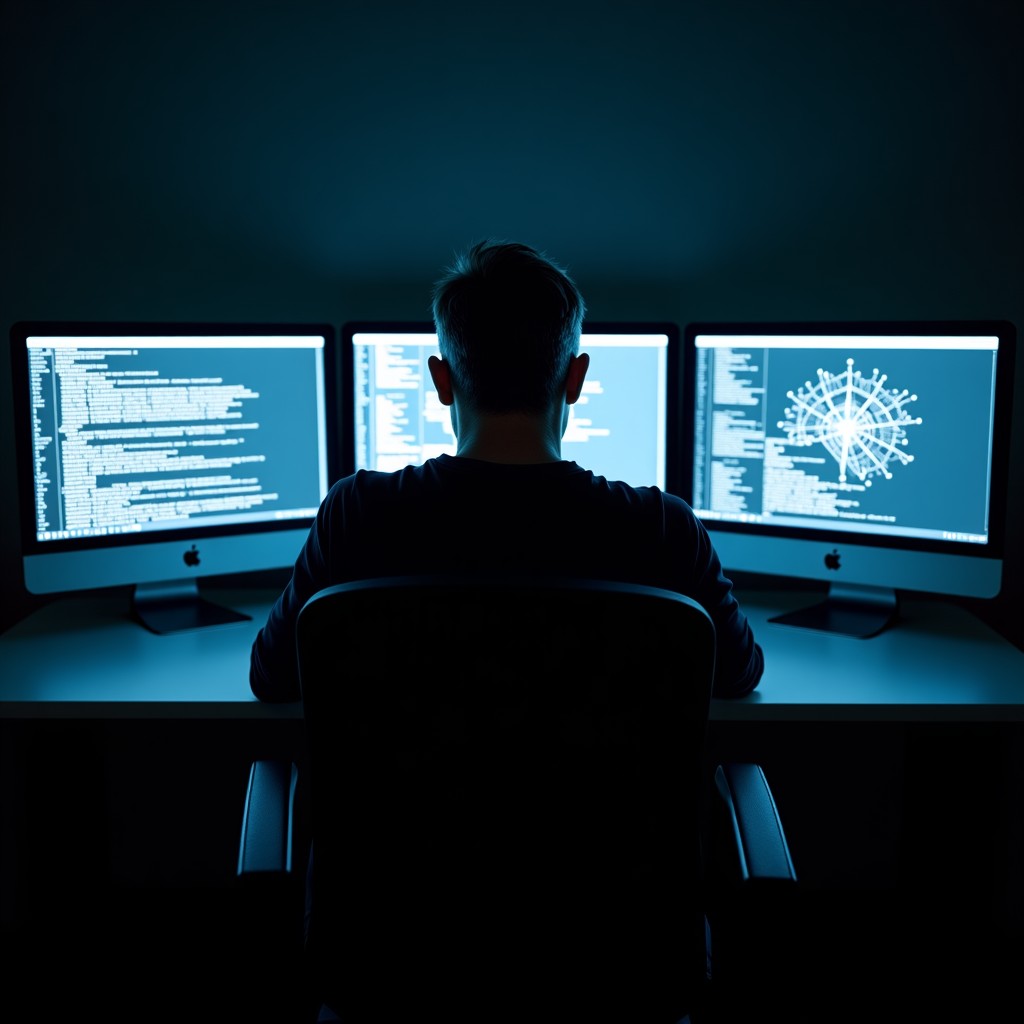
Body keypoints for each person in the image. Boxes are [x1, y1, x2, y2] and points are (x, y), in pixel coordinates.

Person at [249, 238, 763, 702]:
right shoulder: (664, 528)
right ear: (577, 378)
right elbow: (738, 677)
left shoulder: (354, 513)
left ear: (441, 380)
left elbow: (272, 679)